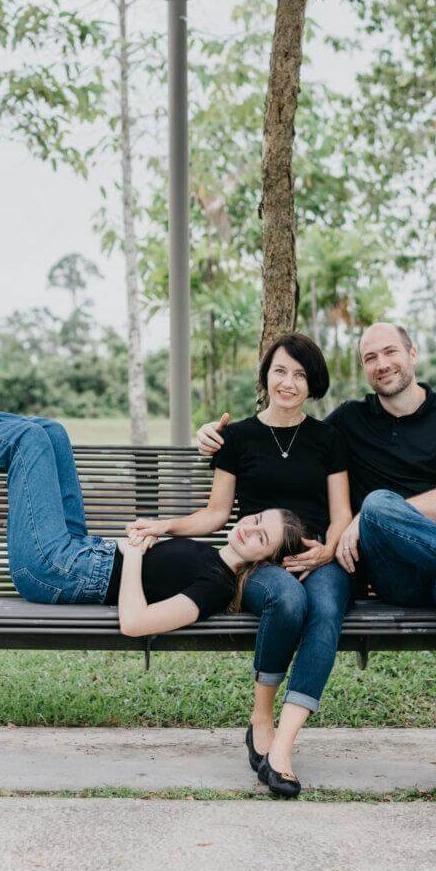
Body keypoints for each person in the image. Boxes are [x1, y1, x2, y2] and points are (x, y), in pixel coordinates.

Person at [197, 322, 436, 812]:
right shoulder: (349, 422)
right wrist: (211, 436)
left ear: (412, 354)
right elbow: (284, 429)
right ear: (364, 369)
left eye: (390, 352)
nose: (382, 364)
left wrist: (371, 517)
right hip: (397, 572)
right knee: (377, 506)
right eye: (370, 357)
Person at [0, 352, 305, 639]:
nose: (249, 530)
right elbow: (206, 524)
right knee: (51, 431)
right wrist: (156, 532)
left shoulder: (216, 588)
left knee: (29, 440)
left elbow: (136, 623)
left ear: (263, 561)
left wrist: (138, 556)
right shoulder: (213, 557)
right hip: (81, 551)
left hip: (54, 571)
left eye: (261, 538)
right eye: (254, 520)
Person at [131, 332, 352, 798]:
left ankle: (283, 749)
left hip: (318, 556)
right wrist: (164, 524)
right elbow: (215, 514)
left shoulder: (328, 438)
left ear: (313, 384)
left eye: (299, 374)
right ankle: (261, 716)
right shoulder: (236, 438)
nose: (288, 382)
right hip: (260, 562)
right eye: (279, 371)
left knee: (327, 609)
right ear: (265, 375)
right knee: (288, 600)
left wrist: (329, 551)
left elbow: (341, 515)